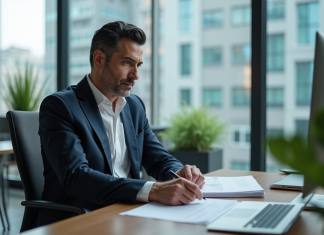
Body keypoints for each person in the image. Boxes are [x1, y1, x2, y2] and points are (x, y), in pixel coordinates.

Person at [37, 21, 205, 227]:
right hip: (80, 220)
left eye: (138, 65)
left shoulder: (134, 106)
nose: (135, 75)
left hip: (129, 214)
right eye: (127, 63)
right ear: (99, 59)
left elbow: (158, 159)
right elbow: (76, 177)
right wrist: (153, 190)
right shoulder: (60, 106)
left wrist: (180, 173)